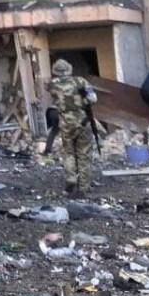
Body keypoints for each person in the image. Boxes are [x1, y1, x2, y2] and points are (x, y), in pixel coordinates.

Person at [46, 58, 98, 197]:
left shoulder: (52, 84)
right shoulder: (80, 81)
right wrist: (83, 100)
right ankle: (83, 188)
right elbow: (92, 99)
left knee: (68, 152)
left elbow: (55, 93)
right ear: (69, 69)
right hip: (82, 120)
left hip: (65, 122)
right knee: (83, 154)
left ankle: (71, 179)